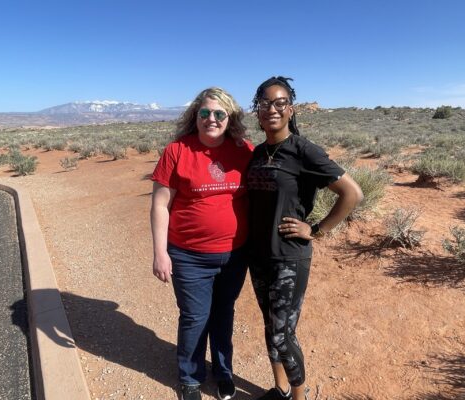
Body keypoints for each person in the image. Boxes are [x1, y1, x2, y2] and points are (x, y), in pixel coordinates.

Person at [247, 77, 363, 400]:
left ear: (290, 109)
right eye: (265, 103)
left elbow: (352, 193)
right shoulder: (257, 154)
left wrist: (316, 229)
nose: (272, 108)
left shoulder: (304, 151)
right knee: (270, 328)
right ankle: (280, 390)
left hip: (289, 258)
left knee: (284, 335)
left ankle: (300, 397)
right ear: (257, 111)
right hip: (258, 257)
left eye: (279, 102)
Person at [150, 87, 253, 400]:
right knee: (195, 317)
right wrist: (160, 253)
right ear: (194, 116)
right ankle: (190, 378)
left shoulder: (244, 150)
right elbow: (159, 205)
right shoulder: (177, 151)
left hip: (235, 253)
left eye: (219, 114)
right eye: (205, 113)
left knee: (224, 313)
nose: (212, 119)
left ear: (229, 118)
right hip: (188, 255)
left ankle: (223, 372)